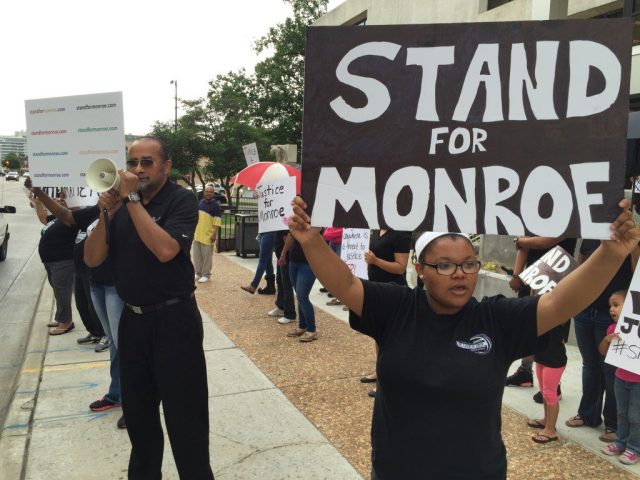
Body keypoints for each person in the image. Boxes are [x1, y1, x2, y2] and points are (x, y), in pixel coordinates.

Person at [287, 195, 639, 479]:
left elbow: (561, 302)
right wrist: (311, 239)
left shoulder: (496, 319)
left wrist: (611, 254)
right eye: (444, 265)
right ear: (420, 270)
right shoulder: (395, 308)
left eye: (469, 264)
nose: (460, 274)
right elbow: (346, 284)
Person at [84, 137, 214, 479]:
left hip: (175, 322)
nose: (139, 169)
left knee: (186, 421)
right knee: (140, 420)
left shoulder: (182, 200)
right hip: (133, 321)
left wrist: (130, 200)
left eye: (147, 162)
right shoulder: (121, 207)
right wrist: (104, 213)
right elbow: (92, 258)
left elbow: (166, 250)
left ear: (166, 167)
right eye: (133, 162)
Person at [564, 239, 638, 438]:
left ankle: (613, 424)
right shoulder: (589, 238)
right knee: (590, 364)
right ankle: (588, 414)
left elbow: (636, 269)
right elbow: (579, 271)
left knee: (611, 368)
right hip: (584, 310)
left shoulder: (629, 239)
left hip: (612, 315)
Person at [506, 236, 576, 396]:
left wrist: (521, 241)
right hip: (532, 277)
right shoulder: (531, 215)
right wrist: (517, 275)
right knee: (528, 329)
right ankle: (525, 372)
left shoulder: (568, 216)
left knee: (553, 332)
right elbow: (522, 246)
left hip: (557, 280)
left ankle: (554, 384)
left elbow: (545, 241)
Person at [361, 229, 410, 397]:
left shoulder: (401, 233)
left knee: (390, 338)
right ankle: (379, 371)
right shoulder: (377, 231)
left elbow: (400, 267)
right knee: (378, 334)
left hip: (392, 291)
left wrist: (375, 261)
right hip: (376, 288)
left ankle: (387, 381)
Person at [600, 290, 640, 465]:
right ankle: (620, 442)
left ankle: (634, 448)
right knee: (622, 413)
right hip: (620, 378)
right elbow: (602, 351)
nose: (611, 309)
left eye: (616, 305)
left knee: (635, 416)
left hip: (638, 382)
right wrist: (608, 340)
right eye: (610, 306)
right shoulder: (612, 329)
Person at [526, 317, 571, 444]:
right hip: (541, 356)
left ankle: (550, 430)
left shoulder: (562, 312)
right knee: (544, 391)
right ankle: (546, 421)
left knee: (550, 393)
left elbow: (560, 316)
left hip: (554, 360)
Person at [280, 233, 317, 341]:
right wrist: (283, 253)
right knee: (300, 296)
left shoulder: (316, 222)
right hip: (294, 260)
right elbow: (290, 237)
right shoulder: (295, 219)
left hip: (309, 262)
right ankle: (302, 326)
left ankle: (312, 329)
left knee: (302, 296)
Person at [193, 184, 221, 283]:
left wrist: (214, 234)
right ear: (204, 192)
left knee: (207, 257)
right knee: (197, 256)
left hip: (208, 235)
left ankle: (206, 275)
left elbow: (217, 222)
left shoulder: (216, 206)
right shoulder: (200, 202)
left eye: (210, 192)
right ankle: (198, 273)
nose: (208, 193)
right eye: (207, 191)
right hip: (197, 234)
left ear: (213, 194)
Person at [269, 229, 296, 325]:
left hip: (286, 256)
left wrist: (283, 253)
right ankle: (281, 306)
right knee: (280, 280)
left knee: (286, 284)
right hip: (280, 255)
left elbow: (289, 236)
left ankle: (290, 314)